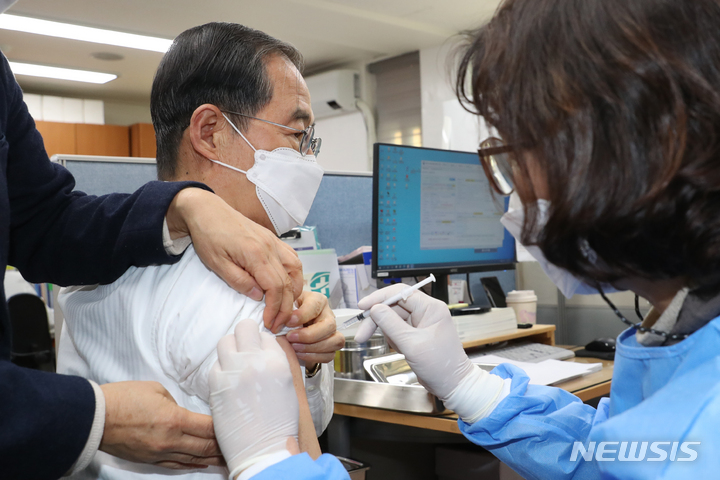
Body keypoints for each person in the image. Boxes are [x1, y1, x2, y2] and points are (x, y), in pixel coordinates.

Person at [206, 0, 720, 478]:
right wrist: (468, 387)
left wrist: (269, 462)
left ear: (636, 150)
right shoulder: (689, 324)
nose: (515, 186)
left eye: (520, 150)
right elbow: (611, 455)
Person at [0, 6, 306, 480]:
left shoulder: (84, 285)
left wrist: (182, 205)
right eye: (299, 134)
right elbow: (299, 442)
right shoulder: (244, 296)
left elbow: (42, 220)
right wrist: (92, 417)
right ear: (210, 132)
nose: (307, 158)